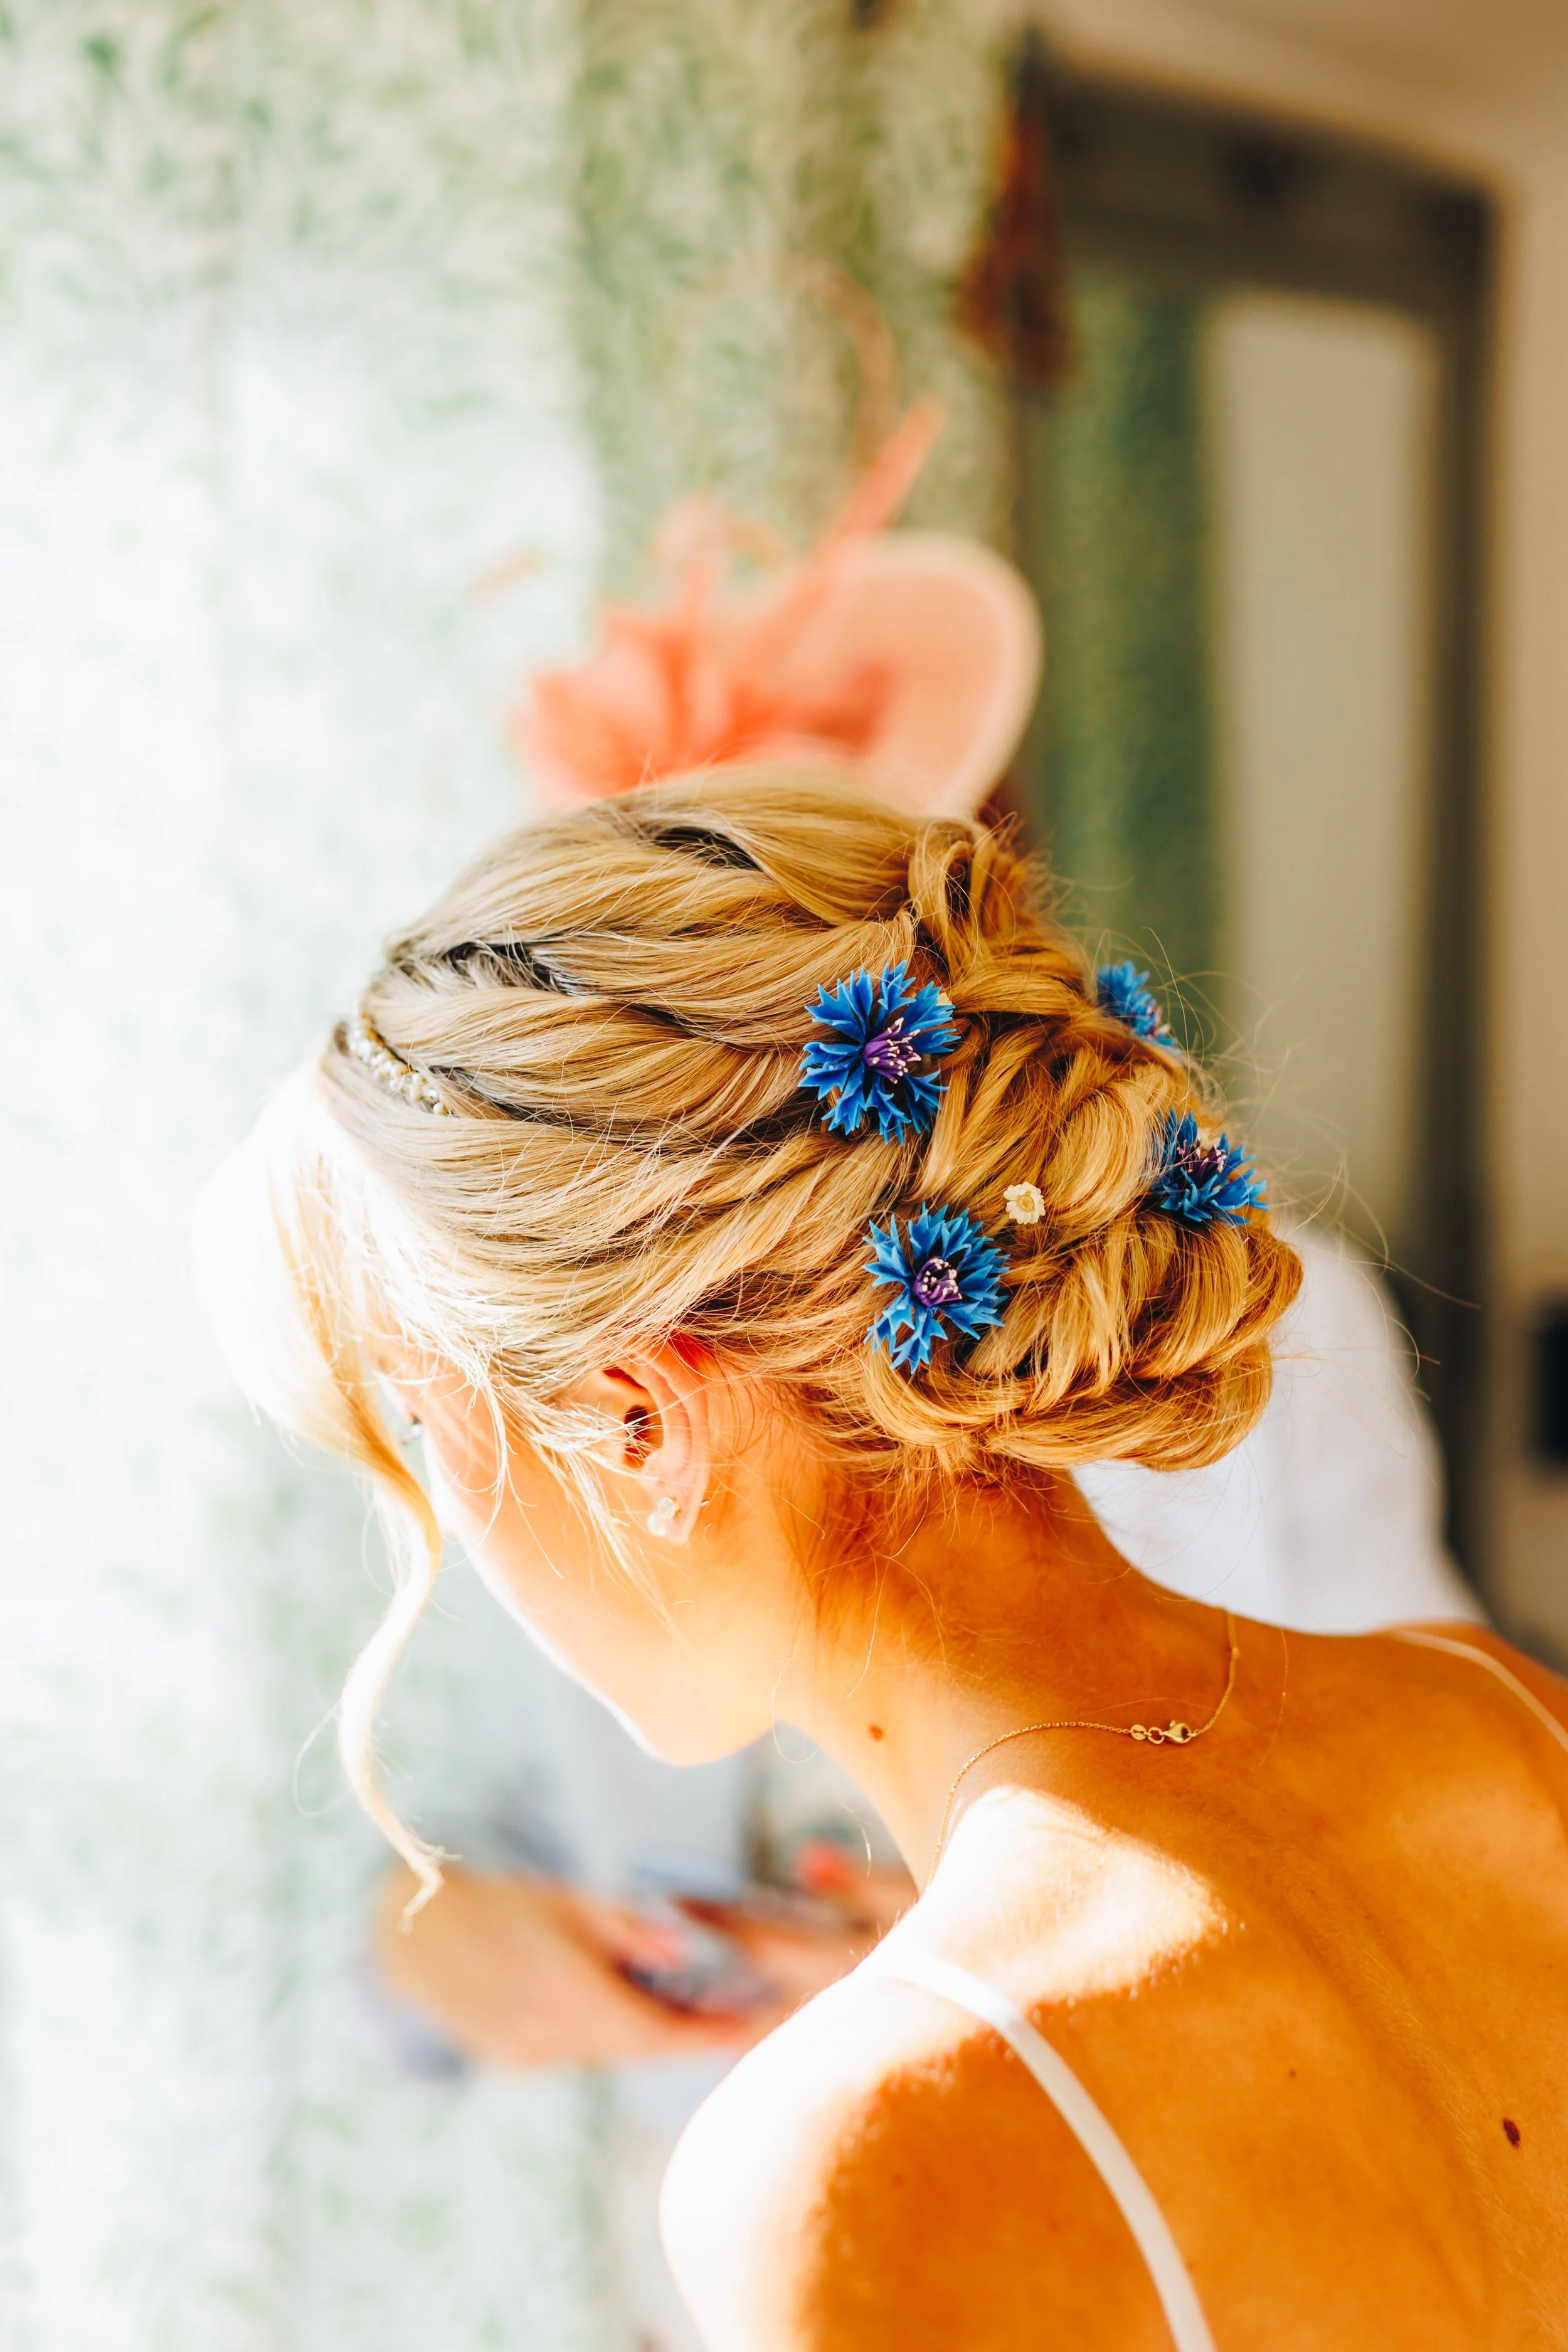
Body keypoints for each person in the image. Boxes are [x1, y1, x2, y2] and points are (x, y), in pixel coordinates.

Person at [199, 776, 1568, 2348]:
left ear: (639, 1423)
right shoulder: (1510, 1731)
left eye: (433, 1429)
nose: (456, 1529)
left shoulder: (863, 2149)